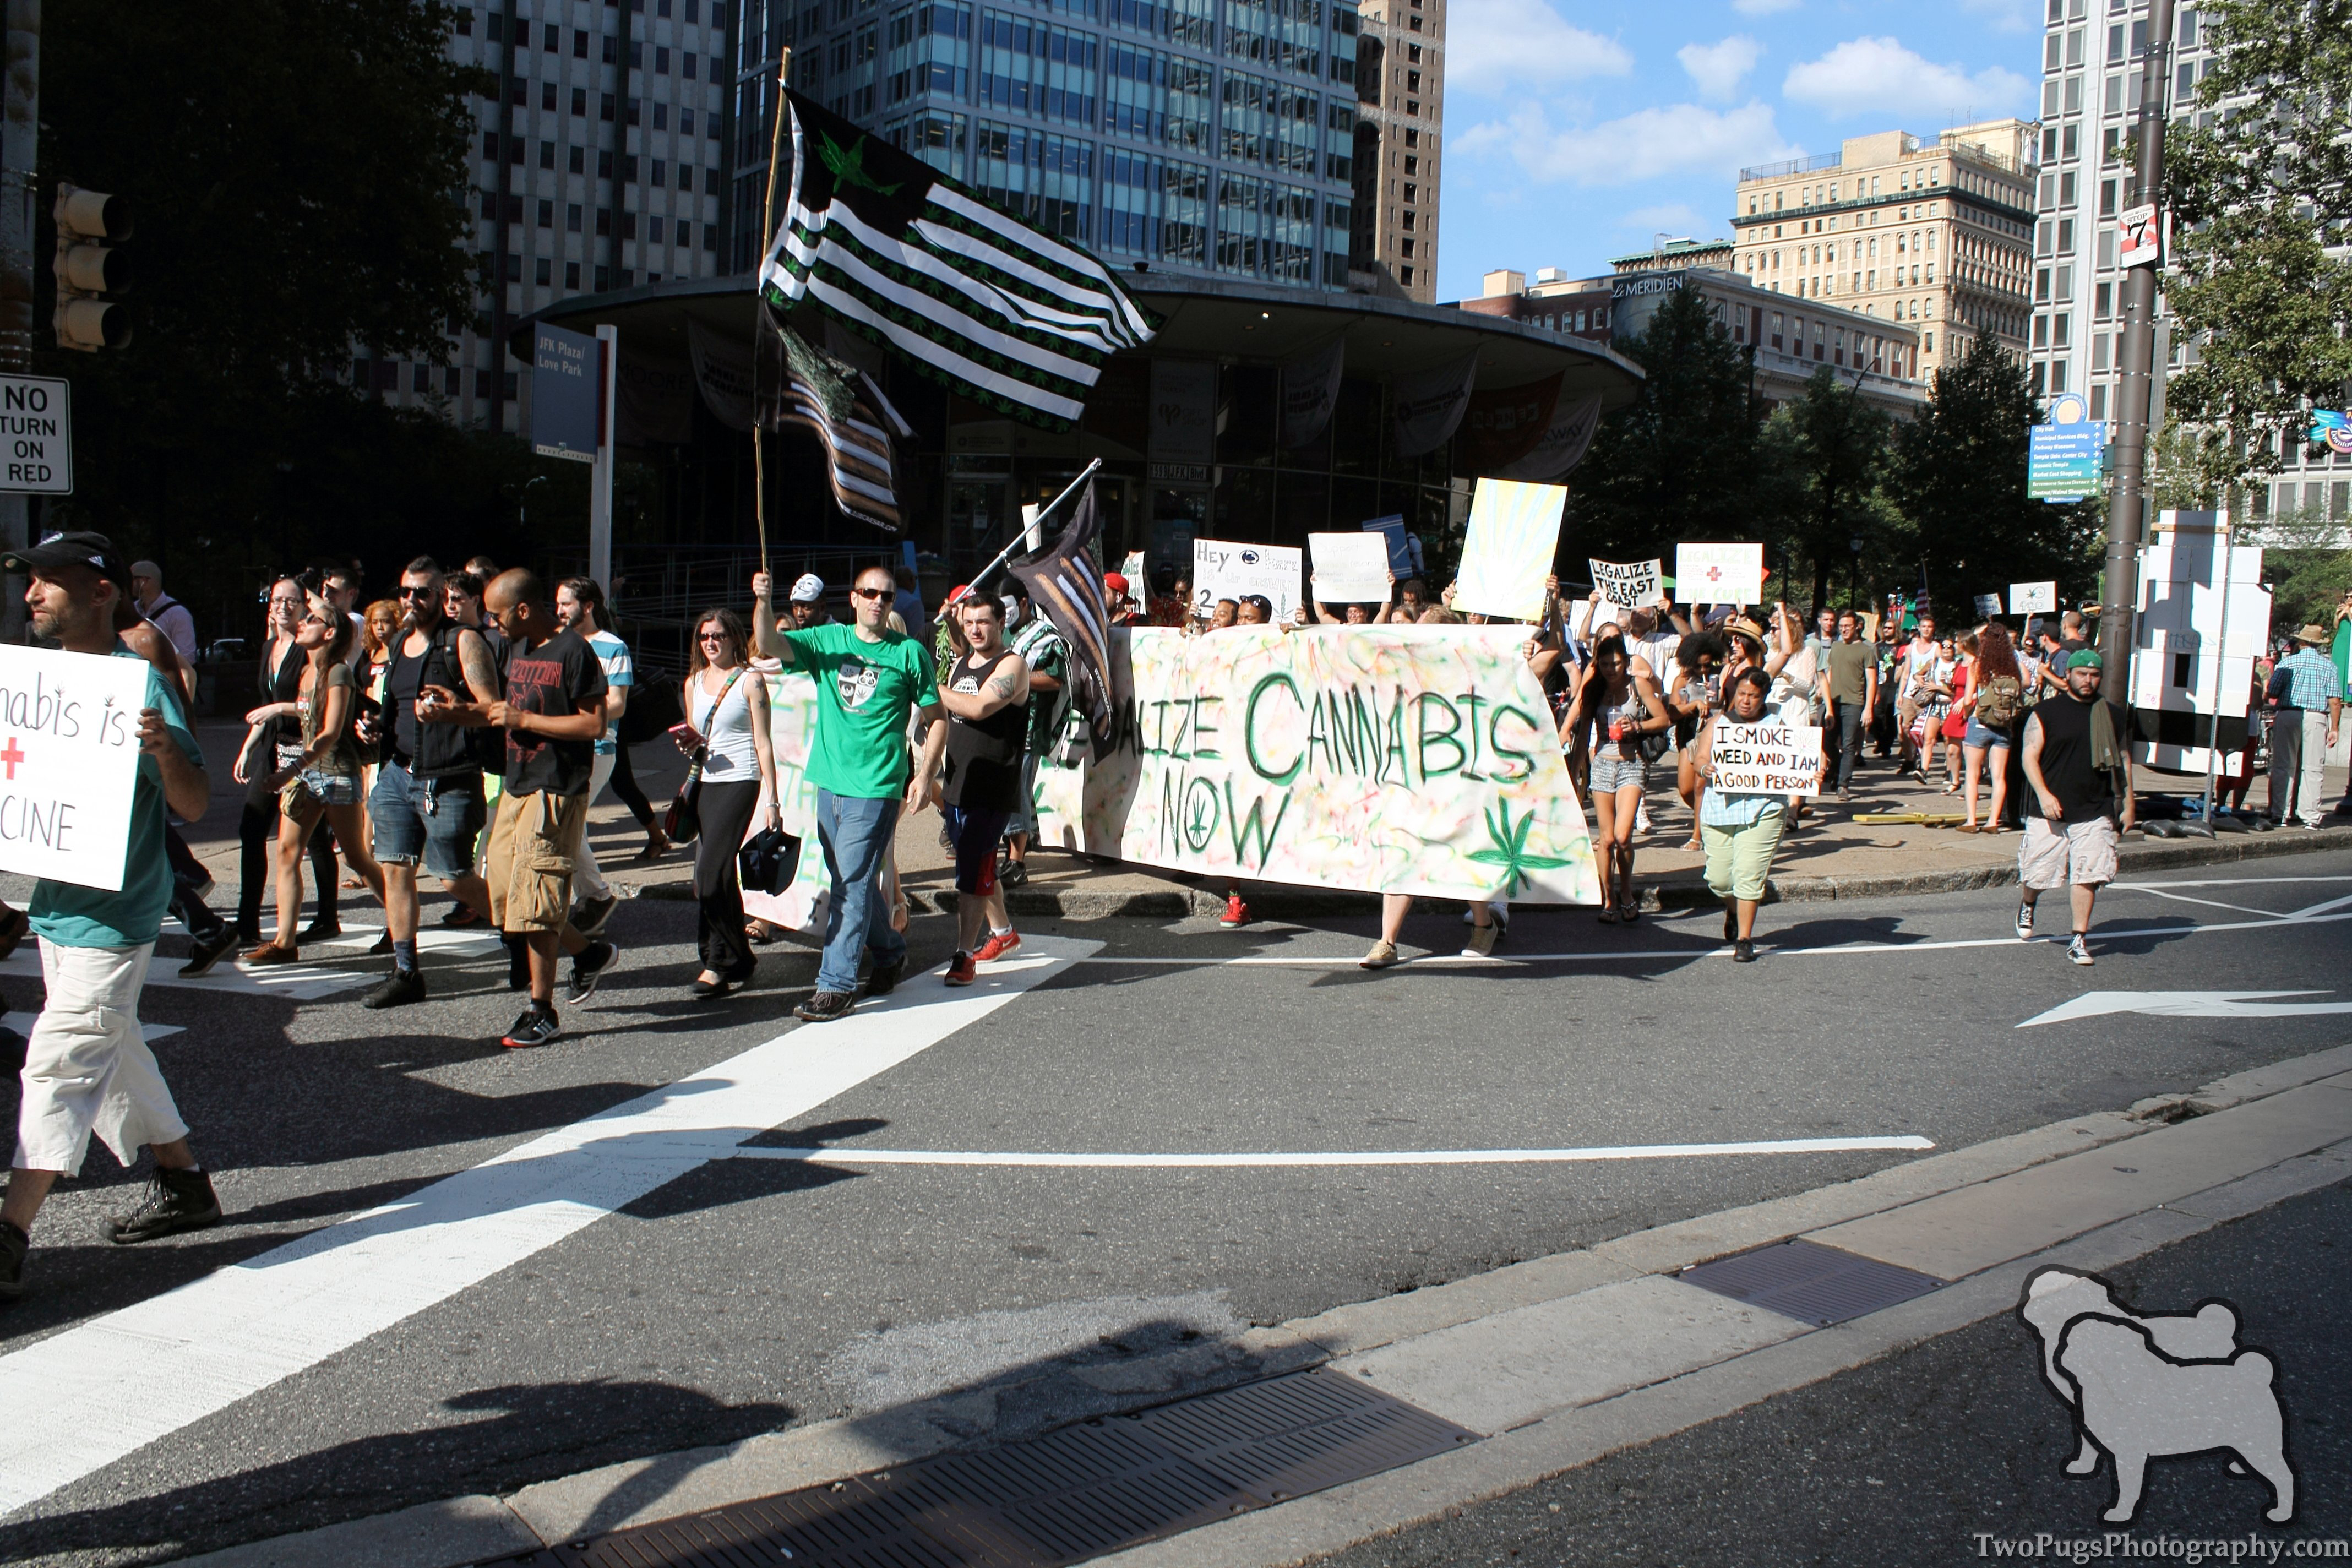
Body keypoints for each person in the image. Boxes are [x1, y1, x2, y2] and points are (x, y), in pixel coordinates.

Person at [0, 531, 225, 1302]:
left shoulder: (139, 685)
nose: (32, 594)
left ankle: (10, 1232)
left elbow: (193, 802)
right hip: (55, 913)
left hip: (115, 920)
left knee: (60, 1062)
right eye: (29, 581)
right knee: (117, 1046)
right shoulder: (36, 686)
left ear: (101, 593)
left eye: (50, 581)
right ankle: (184, 1182)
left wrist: (163, 751)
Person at [423, 570, 619, 1046]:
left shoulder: (574, 651)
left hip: (556, 789)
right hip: (518, 785)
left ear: (524, 610)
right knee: (510, 895)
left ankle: (541, 1010)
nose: (492, 623)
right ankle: (589, 954)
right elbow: (501, 713)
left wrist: (525, 719)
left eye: (498, 614)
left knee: (536, 900)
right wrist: (455, 711)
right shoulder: (519, 649)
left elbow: (594, 724)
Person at [760, 562, 945, 1021]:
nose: (878, 601)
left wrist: (924, 776)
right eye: (870, 593)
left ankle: (836, 985)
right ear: (854, 598)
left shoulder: (909, 653)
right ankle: (890, 952)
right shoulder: (829, 640)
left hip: (877, 789)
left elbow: (937, 718)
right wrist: (763, 601)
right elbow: (770, 644)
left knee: (850, 883)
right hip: (829, 784)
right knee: (850, 881)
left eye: (887, 595)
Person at [357, 556, 502, 1010]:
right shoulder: (400, 643)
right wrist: (374, 727)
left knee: (455, 880)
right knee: (395, 869)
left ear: (441, 596)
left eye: (422, 592)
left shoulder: (464, 642)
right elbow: (397, 709)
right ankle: (406, 971)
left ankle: (517, 934)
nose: (411, 600)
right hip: (397, 774)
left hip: (449, 777)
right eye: (406, 592)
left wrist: (450, 710)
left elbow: (494, 709)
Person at [244, 585, 387, 962]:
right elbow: (305, 717)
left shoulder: (338, 672)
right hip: (307, 774)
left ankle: (401, 923)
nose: (304, 622)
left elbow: (330, 733)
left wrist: (290, 770)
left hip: (336, 774)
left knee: (356, 857)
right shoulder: (308, 671)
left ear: (330, 633)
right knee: (287, 851)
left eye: (312, 619)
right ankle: (284, 943)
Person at [667, 607, 778, 997]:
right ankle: (739, 958)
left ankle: (716, 963)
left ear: (734, 638)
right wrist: (689, 744)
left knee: (710, 874)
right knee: (717, 876)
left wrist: (772, 799)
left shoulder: (751, 681)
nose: (710, 643)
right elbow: (696, 735)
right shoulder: (693, 683)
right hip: (706, 782)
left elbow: (764, 742)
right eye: (704, 637)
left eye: (718, 636)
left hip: (740, 781)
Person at [235, 576, 340, 943]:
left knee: (314, 839)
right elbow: (265, 709)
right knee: (252, 830)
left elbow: (317, 704)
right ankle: (246, 923)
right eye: (277, 600)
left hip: (304, 750)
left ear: (303, 608)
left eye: (291, 601)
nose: (283, 606)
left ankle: (327, 917)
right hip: (272, 750)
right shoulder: (269, 647)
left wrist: (279, 708)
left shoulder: (308, 646)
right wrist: (248, 747)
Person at [934, 591, 1030, 984]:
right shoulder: (961, 663)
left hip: (991, 788)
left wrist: (926, 686)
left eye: (984, 622)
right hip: (958, 782)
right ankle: (1004, 933)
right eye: (969, 622)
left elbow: (978, 708)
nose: (976, 630)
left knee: (973, 873)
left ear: (1002, 623)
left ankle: (963, 955)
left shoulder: (1013, 666)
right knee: (980, 866)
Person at [2017, 649, 2135, 966]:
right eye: (2082, 674)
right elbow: (2029, 756)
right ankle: (2028, 902)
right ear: (2067, 675)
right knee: (2038, 874)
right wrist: (2044, 794)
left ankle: (2078, 939)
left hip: (2095, 807)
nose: (2088, 680)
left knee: (2088, 873)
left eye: (2095, 675)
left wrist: (2128, 803)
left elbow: (2122, 760)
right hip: (2051, 807)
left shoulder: (2111, 714)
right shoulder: (2046, 712)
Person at [1565, 630, 1673, 923]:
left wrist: (1637, 727)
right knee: (1607, 839)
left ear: (1625, 661)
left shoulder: (1637, 685)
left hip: (1632, 764)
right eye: (1604, 664)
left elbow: (1663, 719)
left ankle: (1626, 891)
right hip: (1602, 763)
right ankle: (1609, 898)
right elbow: (1583, 735)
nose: (1611, 670)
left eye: (1615, 663)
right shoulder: (1594, 689)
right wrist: (1574, 774)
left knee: (1624, 836)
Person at [1695, 667, 1790, 963]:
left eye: (1754, 696)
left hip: (1764, 809)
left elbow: (1800, 758)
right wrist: (1705, 768)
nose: (1746, 701)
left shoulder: (1776, 725)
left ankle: (1745, 939)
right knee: (1720, 880)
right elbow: (1700, 756)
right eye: (1742, 694)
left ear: (1764, 698)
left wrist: (1815, 769)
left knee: (1749, 876)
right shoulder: (1719, 723)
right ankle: (1734, 910)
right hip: (1720, 811)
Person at [556, 578, 633, 937]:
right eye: (557, 604)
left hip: (596, 749)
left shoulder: (613, 647)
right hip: (560, 747)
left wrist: (570, 715)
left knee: (567, 823)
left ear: (587, 607)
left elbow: (617, 704)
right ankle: (588, 903)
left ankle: (596, 896)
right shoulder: (556, 644)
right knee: (571, 825)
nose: (559, 611)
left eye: (566, 604)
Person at [1003, 582, 1069, 889]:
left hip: (1028, 727)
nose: (1004, 615)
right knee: (1005, 792)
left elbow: (1057, 678)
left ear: (1024, 603)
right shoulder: (1001, 632)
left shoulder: (1046, 637)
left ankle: (1017, 862)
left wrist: (1018, 679)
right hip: (1000, 726)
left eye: (1008, 607)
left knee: (1017, 792)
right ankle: (1010, 853)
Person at [2264, 624, 2343, 829]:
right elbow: (2335, 701)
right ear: (2318, 644)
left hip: (2288, 713)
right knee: (2313, 768)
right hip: (2316, 716)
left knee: (2283, 765)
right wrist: (2335, 727)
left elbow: (2273, 692)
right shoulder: (2329, 666)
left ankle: (2279, 813)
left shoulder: (2287, 663)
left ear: (2301, 642)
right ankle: (2311, 816)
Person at [1961, 623, 2025, 834]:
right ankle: (1993, 823)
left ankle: (1971, 821)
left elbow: (1968, 699)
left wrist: (1967, 713)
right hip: (2003, 726)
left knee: (1972, 775)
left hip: (1979, 723)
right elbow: (2026, 683)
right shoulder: (2012, 666)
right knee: (1999, 777)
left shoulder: (1977, 665)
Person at [1822, 608, 1877, 801]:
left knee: (1848, 745)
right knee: (1826, 742)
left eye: (1848, 626)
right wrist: (1824, 695)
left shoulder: (1866, 650)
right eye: (1841, 626)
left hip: (1854, 704)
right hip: (1834, 702)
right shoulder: (1836, 647)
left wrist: (1868, 708)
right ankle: (1837, 769)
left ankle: (1843, 785)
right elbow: (1830, 672)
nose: (1844, 630)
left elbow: (1872, 681)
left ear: (1857, 627)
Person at [1892, 612, 1940, 778]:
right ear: (1919, 628)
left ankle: (1923, 759)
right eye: (1924, 626)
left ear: (1933, 629)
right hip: (1910, 693)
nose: (1926, 630)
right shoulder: (1911, 648)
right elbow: (1906, 672)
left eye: (1929, 627)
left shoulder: (1937, 648)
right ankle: (1909, 759)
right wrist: (1900, 694)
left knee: (1924, 731)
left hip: (1927, 695)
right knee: (1905, 728)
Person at [129, 560, 198, 663]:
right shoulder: (132, 609)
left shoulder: (178, 614)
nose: (128, 584)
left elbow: (187, 658)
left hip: (161, 674)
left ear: (144, 581)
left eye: (132, 579)